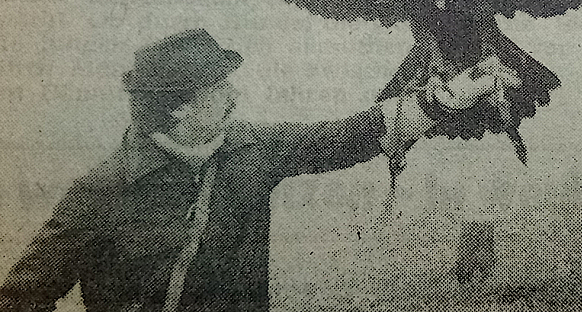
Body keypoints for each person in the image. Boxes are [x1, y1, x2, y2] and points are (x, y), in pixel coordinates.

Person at [0, 28, 520, 312]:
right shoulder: (99, 196)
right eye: (219, 89)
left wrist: (443, 100)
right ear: (181, 111)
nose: (234, 97)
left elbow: (345, 138)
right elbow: (21, 299)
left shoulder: (250, 150)